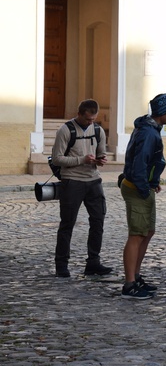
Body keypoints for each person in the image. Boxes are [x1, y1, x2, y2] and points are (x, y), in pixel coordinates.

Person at [120, 93, 166, 299]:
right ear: (162, 112)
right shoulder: (148, 133)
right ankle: (129, 285)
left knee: (147, 232)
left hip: (144, 187)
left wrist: (153, 182)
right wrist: (144, 187)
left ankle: (136, 276)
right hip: (137, 189)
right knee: (136, 235)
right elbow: (139, 164)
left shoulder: (152, 129)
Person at [53, 99, 113, 278]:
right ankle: (61, 265)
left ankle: (93, 262)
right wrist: (82, 160)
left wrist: (101, 159)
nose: (91, 123)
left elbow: (101, 152)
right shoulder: (66, 130)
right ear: (79, 114)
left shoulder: (97, 130)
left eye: (94, 119)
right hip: (72, 181)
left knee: (98, 221)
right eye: (88, 119)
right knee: (67, 223)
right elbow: (57, 159)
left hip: (93, 181)